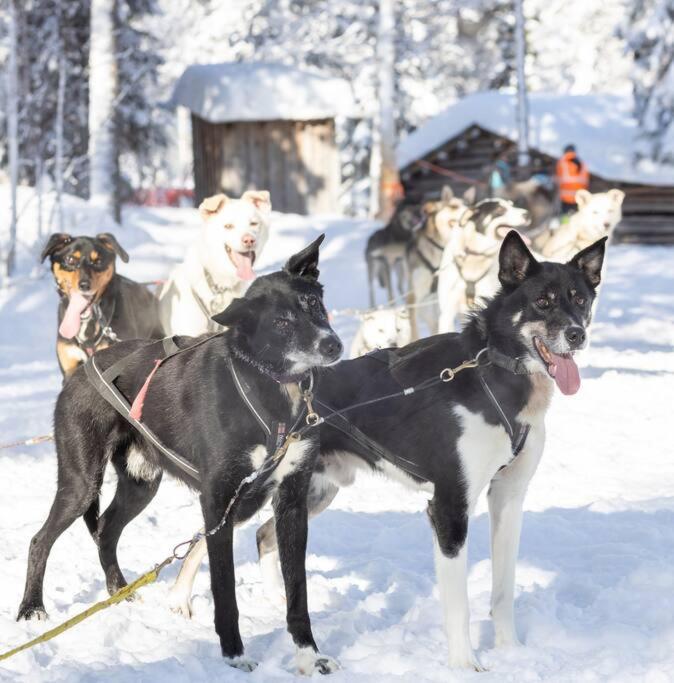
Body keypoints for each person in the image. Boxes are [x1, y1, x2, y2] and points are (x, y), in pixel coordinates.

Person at [556, 144, 589, 217]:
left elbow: (558, 178)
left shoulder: (562, 162)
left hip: (565, 197)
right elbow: (586, 180)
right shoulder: (582, 163)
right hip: (579, 196)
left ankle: (564, 227)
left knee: (565, 216)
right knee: (578, 216)